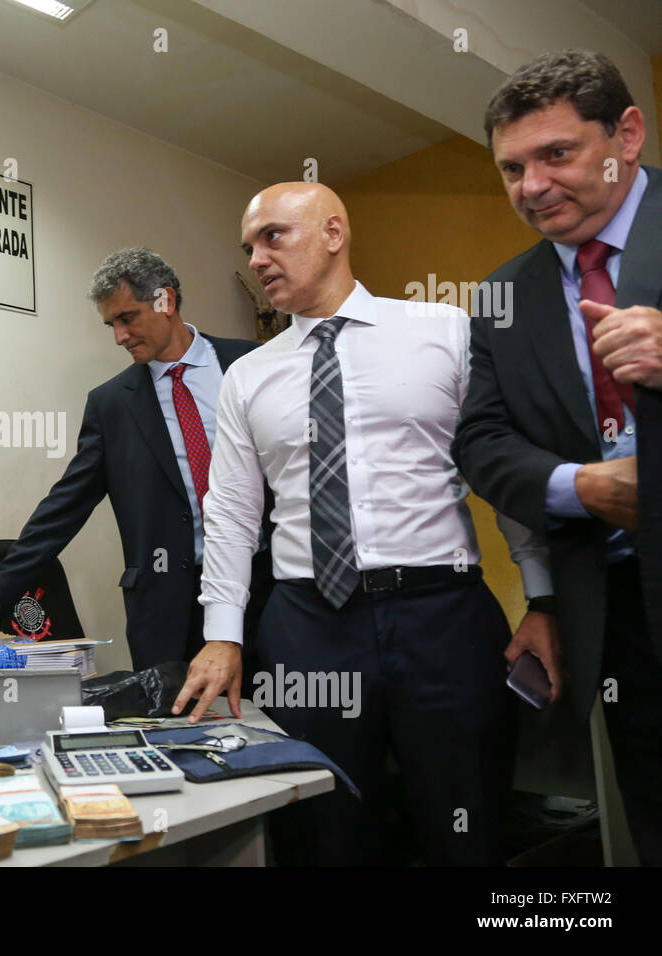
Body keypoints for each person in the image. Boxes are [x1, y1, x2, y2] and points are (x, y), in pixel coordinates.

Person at [174, 182, 533, 865]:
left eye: (273, 236)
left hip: (444, 617)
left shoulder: (444, 331)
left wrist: (539, 594)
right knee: (325, 832)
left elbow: (501, 472)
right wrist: (222, 634)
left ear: (334, 233)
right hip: (310, 627)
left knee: (466, 821)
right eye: (248, 246)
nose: (256, 258)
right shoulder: (248, 378)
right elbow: (230, 512)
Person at [453, 49, 662, 865]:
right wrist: (581, 487)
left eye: (556, 155)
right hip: (617, 618)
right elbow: (481, 440)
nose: (531, 186)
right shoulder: (501, 297)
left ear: (628, 134)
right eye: (511, 168)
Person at [0, 248, 272, 669]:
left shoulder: (251, 364)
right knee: (175, 728)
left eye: (127, 318)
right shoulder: (111, 405)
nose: (119, 337)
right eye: (111, 324)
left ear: (165, 301)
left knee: (277, 720)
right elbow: (64, 508)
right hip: (167, 612)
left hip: (268, 593)